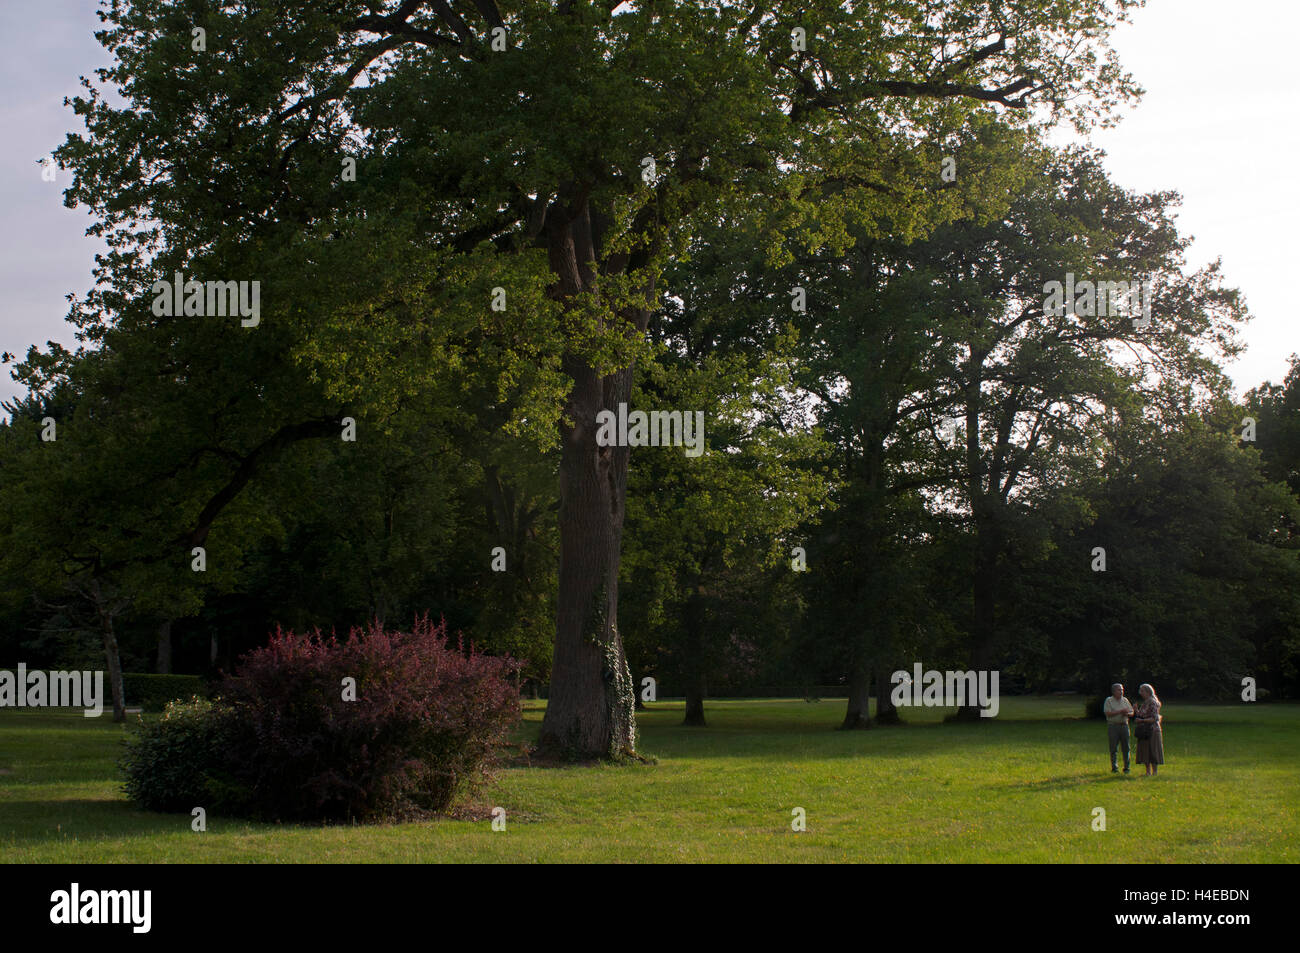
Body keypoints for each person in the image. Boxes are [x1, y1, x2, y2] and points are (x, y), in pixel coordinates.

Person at [1133, 683, 1164, 776]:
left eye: (1142, 691)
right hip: (1143, 731)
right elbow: (1142, 714)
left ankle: (1154, 772)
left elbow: (1155, 718)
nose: (1140, 693)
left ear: (1147, 692)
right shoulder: (1145, 702)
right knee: (1145, 750)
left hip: (1152, 730)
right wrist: (1136, 710)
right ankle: (1147, 772)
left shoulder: (1152, 702)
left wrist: (1142, 721)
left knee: (1153, 750)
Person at [1102, 682, 1133, 773]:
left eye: (1122, 690)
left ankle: (1127, 767)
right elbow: (1107, 713)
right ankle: (1114, 767)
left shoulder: (1125, 700)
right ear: (1114, 691)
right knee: (1113, 747)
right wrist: (1120, 711)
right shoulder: (1109, 700)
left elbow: (1132, 712)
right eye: (1119, 690)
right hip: (1113, 726)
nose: (1121, 691)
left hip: (1124, 725)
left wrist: (1127, 713)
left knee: (1126, 747)